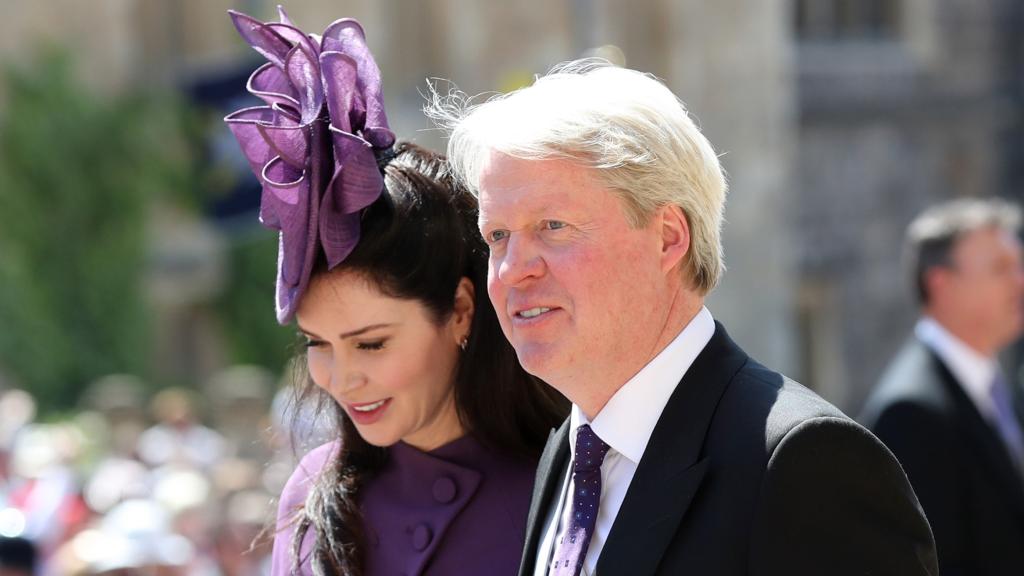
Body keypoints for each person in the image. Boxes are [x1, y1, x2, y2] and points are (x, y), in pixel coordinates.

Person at [431, 60, 938, 576]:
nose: (513, 270)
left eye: (553, 226)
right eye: (498, 236)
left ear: (669, 236)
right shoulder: (571, 451)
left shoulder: (805, 464)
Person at [224, 9, 566, 576]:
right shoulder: (311, 491)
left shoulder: (563, 496)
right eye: (318, 343)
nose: (341, 377)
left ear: (459, 311)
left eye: (371, 343)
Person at [860, 198, 1024, 576]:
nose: (1019, 280)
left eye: (1018, 265)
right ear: (941, 283)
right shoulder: (911, 412)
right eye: (1002, 268)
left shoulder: (994, 386)